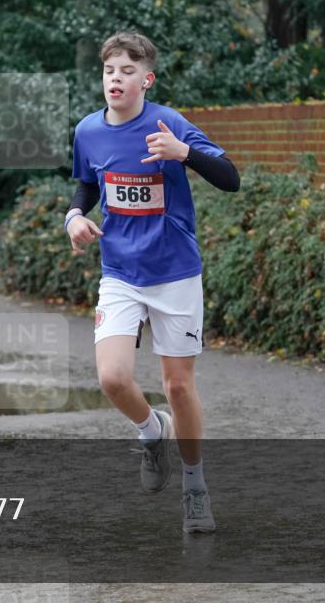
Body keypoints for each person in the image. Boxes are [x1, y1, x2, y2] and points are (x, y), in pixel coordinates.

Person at [64, 32, 240, 534]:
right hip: (120, 272)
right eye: (108, 71)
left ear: (147, 79)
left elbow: (230, 178)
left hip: (175, 274)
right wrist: (75, 214)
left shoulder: (170, 124)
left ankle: (195, 486)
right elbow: (86, 183)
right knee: (113, 378)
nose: (115, 79)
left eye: (125, 71)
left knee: (177, 386)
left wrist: (183, 152)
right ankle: (150, 431)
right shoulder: (88, 131)